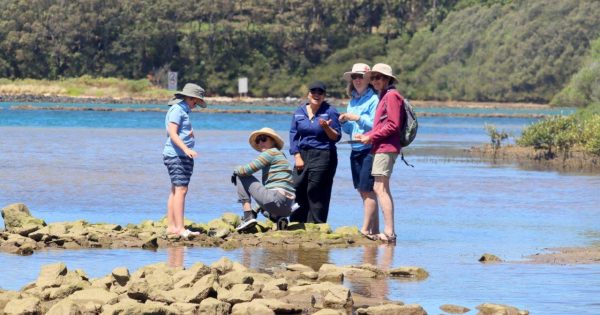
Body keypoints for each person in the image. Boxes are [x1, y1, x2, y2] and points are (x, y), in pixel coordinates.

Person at [355, 64, 404, 243]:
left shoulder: (391, 96)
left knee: (379, 188)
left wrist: (371, 136)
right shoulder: (384, 95)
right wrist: (367, 135)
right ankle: (388, 232)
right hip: (381, 147)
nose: (375, 81)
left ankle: (389, 233)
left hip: (386, 148)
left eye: (379, 77)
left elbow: (393, 125)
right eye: (373, 78)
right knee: (382, 188)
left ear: (387, 79)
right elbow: (383, 125)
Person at [289, 81, 341, 223]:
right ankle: (296, 222)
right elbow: (293, 135)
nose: (316, 95)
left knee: (316, 190)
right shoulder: (299, 112)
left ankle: (317, 225)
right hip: (303, 154)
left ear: (324, 95)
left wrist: (326, 127)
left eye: (320, 93)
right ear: (308, 94)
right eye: (314, 92)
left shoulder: (330, 111)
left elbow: (336, 137)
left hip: (324, 154)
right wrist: (297, 156)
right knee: (296, 186)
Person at [339, 63, 380, 240]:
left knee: (367, 190)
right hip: (355, 148)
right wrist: (343, 123)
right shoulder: (353, 101)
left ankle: (364, 230)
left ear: (368, 79)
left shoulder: (374, 99)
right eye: (354, 77)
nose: (357, 80)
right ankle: (375, 231)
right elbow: (350, 129)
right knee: (363, 190)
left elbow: (376, 126)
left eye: (360, 76)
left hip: (369, 148)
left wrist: (357, 118)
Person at [163, 83, 206, 238]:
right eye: (196, 101)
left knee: (176, 189)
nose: (196, 104)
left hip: (178, 155)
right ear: (190, 98)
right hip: (177, 155)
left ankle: (172, 227)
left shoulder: (183, 110)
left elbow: (179, 131)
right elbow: (172, 133)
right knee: (181, 190)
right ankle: (179, 228)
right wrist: (186, 149)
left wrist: (189, 134)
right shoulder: (177, 110)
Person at [233, 127, 296, 232]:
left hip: (276, 198)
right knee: (263, 203)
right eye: (258, 141)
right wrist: (255, 210)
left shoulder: (270, 153)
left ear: (273, 141)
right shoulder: (281, 156)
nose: (260, 143)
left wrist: (235, 170)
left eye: (263, 139)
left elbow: (245, 170)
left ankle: (248, 216)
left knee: (240, 175)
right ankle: (278, 219)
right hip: (288, 206)